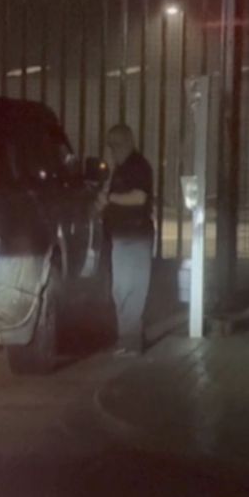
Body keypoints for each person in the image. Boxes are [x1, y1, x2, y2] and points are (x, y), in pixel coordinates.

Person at [97, 124, 154, 356]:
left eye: (115, 145)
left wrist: (109, 198)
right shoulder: (120, 169)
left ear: (126, 143)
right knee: (122, 290)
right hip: (123, 237)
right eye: (110, 146)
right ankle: (129, 338)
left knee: (131, 290)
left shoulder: (138, 166)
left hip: (135, 236)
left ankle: (130, 342)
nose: (112, 150)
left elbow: (139, 197)